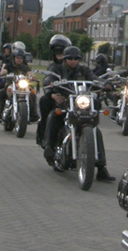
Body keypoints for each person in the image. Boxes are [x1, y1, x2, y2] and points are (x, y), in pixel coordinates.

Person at [42, 45, 115, 181]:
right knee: (54, 116)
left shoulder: (83, 70)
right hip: (65, 100)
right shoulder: (57, 69)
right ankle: (49, 148)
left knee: (95, 130)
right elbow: (48, 79)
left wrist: (105, 83)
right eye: (70, 58)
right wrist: (50, 84)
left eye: (76, 58)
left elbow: (94, 78)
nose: (73, 61)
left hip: (81, 102)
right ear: (65, 59)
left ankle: (101, 167)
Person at [36, 34, 71, 145]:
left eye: (62, 52)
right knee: (44, 101)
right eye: (57, 52)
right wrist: (51, 93)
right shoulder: (53, 67)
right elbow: (48, 79)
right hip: (59, 96)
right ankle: (45, 137)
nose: (59, 55)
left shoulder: (77, 67)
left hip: (75, 96)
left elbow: (91, 77)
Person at [0, 47, 37, 122]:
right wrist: (3, 73)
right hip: (11, 84)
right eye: (17, 58)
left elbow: (29, 72)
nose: (19, 60)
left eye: (21, 58)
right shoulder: (9, 65)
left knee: (32, 93)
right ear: (14, 58)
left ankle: (33, 115)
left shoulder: (25, 67)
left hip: (22, 86)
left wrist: (32, 76)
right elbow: (4, 70)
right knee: (0, 93)